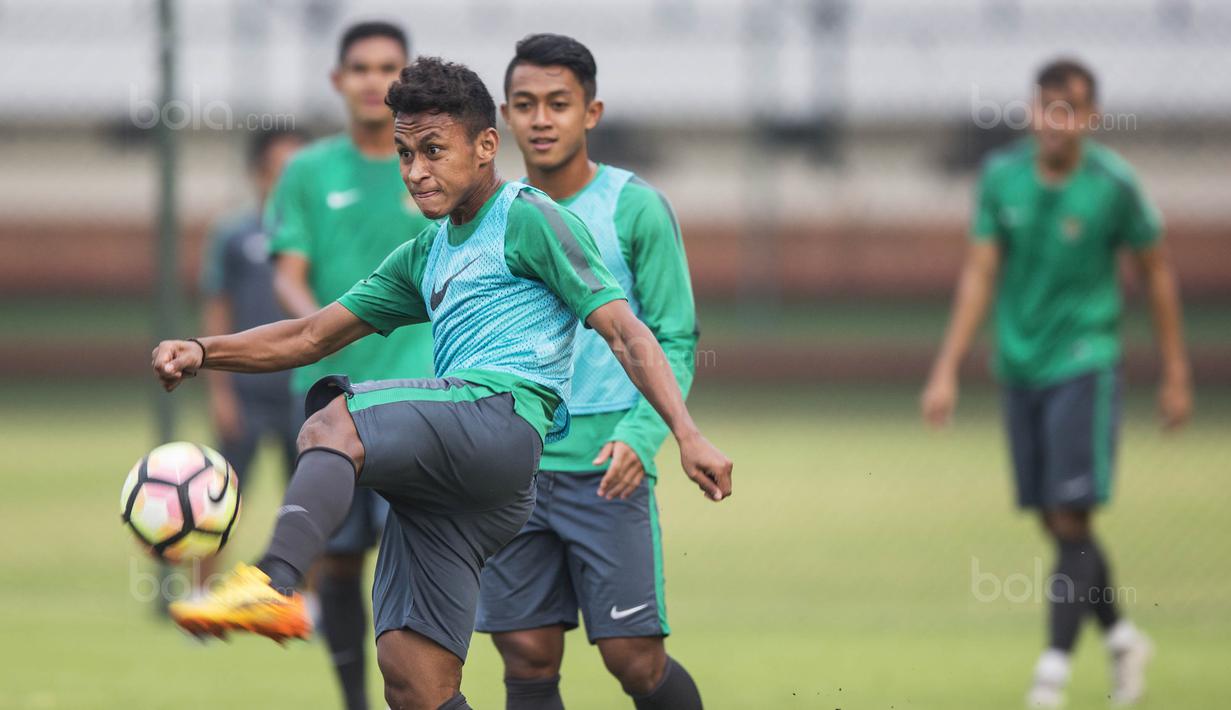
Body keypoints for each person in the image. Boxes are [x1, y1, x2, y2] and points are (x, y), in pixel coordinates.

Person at [152, 56, 733, 710]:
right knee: (411, 678)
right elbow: (310, 335)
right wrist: (202, 351)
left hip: (501, 419)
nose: (416, 171)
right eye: (404, 153)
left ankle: (275, 583)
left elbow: (626, 330)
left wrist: (685, 434)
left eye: (433, 150)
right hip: (467, 479)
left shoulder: (528, 217)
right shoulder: (426, 252)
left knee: (333, 421)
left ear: (487, 146)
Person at [920, 59, 1192, 708]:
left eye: (1068, 108)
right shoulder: (1001, 178)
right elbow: (979, 272)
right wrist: (946, 368)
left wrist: (1175, 371)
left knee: (1071, 512)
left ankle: (1050, 676)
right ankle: (1122, 637)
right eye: (1045, 106)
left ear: (1090, 118)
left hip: (1084, 360)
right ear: (1030, 111)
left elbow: (1155, 272)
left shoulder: (1112, 185)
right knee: (1055, 519)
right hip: (1019, 365)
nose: (1054, 120)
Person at [474, 34, 703, 710]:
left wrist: (642, 434)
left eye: (557, 104)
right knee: (526, 652)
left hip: (606, 464)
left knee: (632, 658)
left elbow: (674, 337)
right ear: (503, 118)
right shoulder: (487, 211)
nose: (540, 120)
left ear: (590, 113)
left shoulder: (633, 207)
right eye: (524, 105)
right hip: (511, 465)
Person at [265, 21, 436, 710]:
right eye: (360, 67)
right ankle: (354, 701)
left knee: (411, 558)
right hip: (328, 397)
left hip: (420, 394)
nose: (373, 79)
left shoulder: (430, 164)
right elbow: (287, 271)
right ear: (338, 81)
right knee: (336, 561)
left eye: (387, 66)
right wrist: (319, 331)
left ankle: (417, 693)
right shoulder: (307, 172)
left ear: (406, 77)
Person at [197, 126, 308, 591]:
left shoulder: (314, 232)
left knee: (306, 501)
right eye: (279, 170)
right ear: (258, 173)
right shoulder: (234, 234)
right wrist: (220, 390)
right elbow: (216, 310)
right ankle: (202, 592)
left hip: (302, 390)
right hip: (246, 392)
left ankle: (307, 601)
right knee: (218, 498)